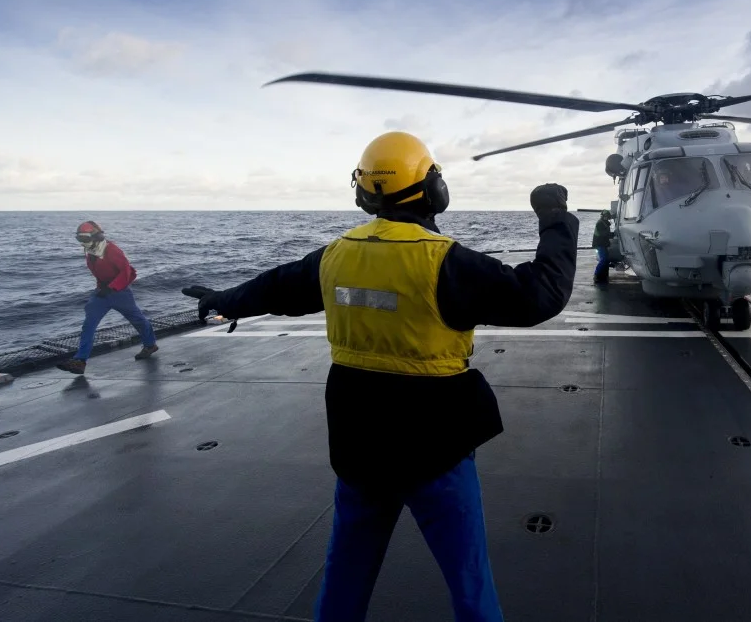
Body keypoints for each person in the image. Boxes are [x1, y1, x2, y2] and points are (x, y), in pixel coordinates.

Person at [181, 131, 579, 622]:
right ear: (433, 190)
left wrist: (221, 299)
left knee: (345, 577)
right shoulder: (446, 261)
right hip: (436, 448)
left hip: (359, 447)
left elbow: (273, 288)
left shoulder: (335, 256)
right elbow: (541, 295)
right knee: (470, 585)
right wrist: (554, 219)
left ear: (364, 194)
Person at [57, 221, 159, 375]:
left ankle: (150, 345)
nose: (82, 242)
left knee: (137, 319)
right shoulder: (90, 252)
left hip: (120, 293)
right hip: (101, 293)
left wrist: (112, 287)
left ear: (96, 236)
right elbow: (99, 273)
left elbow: (126, 271)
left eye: (84, 239)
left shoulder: (112, 250)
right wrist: (102, 288)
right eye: (80, 239)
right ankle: (80, 361)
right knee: (88, 325)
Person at [592, 209, 615, 283]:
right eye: (605, 216)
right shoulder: (600, 223)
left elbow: (606, 234)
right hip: (599, 244)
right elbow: (603, 234)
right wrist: (613, 234)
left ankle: (603, 276)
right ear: (603, 216)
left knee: (606, 259)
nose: (607, 217)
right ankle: (596, 275)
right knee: (603, 259)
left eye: (608, 216)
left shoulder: (604, 223)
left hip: (603, 244)